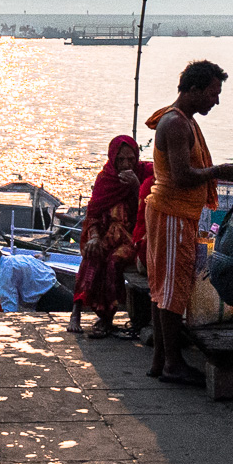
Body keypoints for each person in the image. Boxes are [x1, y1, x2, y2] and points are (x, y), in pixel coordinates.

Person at [145, 60, 233, 384]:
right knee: (173, 289)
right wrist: (220, 171)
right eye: (212, 93)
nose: (215, 101)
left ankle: (161, 359)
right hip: (172, 213)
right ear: (194, 90)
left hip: (175, 213)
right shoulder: (176, 124)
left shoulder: (184, 120)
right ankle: (173, 363)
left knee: (163, 288)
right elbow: (182, 175)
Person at [71, 134, 150, 337]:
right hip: (108, 235)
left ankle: (106, 319)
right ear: (113, 158)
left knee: (114, 263)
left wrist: (136, 187)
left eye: (130, 160)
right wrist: (94, 237)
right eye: (121, 160)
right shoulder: (105, 178)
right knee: (93, 253)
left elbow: (144, 213)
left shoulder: (145, 174)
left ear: (137, 158)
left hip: (133, 238)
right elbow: (94, 213)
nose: (126, 165)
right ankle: (76, 311)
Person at [0, 243, 71, 313]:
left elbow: (10, 308)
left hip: (53, 301)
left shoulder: (6, 272)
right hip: (62, 292)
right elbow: (49, 271)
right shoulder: (19, 259)